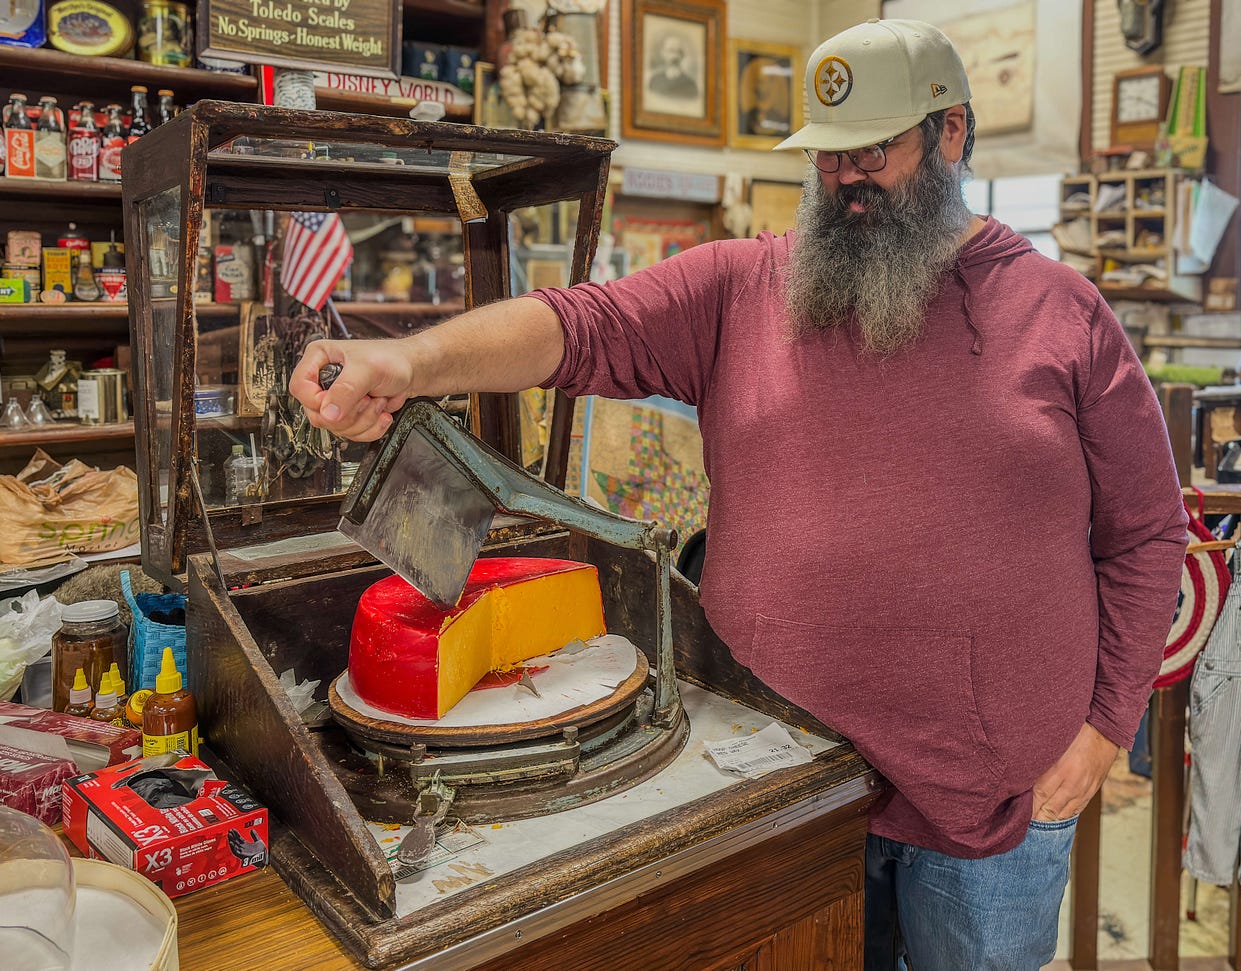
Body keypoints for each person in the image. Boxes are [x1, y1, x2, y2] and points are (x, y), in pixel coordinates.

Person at [291, 18, 1187, 971]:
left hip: (996, 801)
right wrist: (413, 359)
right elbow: (574, 328)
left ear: (953, 133)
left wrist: (1105, 728)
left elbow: (1148, 534)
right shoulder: (741, 289)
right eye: (828, 154)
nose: (845, 176)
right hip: (774, 782)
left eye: (872, 149)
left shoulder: (1063, 314)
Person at [647, 33, 700, 101]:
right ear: (663, 53)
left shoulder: (691, 85)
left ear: (683, 56)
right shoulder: (654, 80)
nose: (675, 56)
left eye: (679, 52)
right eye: (671, 51)